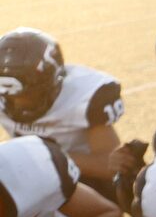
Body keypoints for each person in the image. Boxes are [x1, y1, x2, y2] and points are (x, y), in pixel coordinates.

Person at [0, 30, 127, 195]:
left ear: (54, 81)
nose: (20, 104)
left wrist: (49, 158)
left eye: (29, 95)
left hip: (84, 181)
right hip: (31, 178)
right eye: (10, 97)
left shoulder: (86, 95)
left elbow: (110, 167)